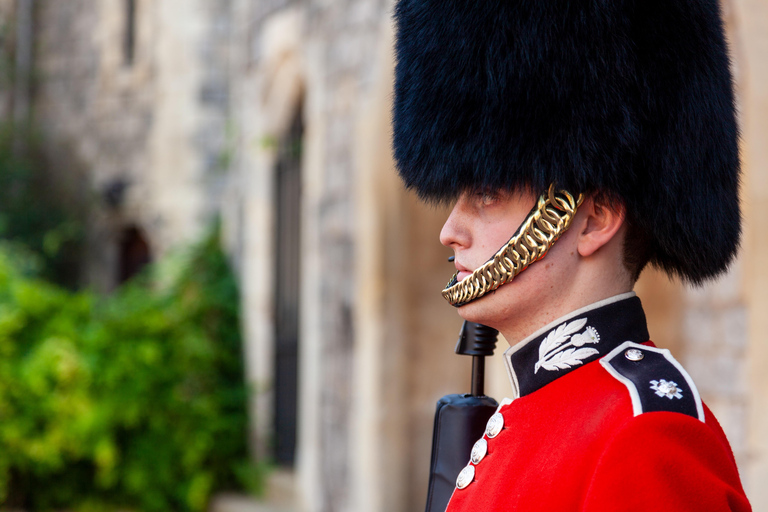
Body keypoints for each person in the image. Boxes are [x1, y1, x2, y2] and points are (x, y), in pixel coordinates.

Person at [392, 0, 753, 510]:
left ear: (594, 217)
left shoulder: (646, 434)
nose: (450, 231)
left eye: (488, 193)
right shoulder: (529, 416)